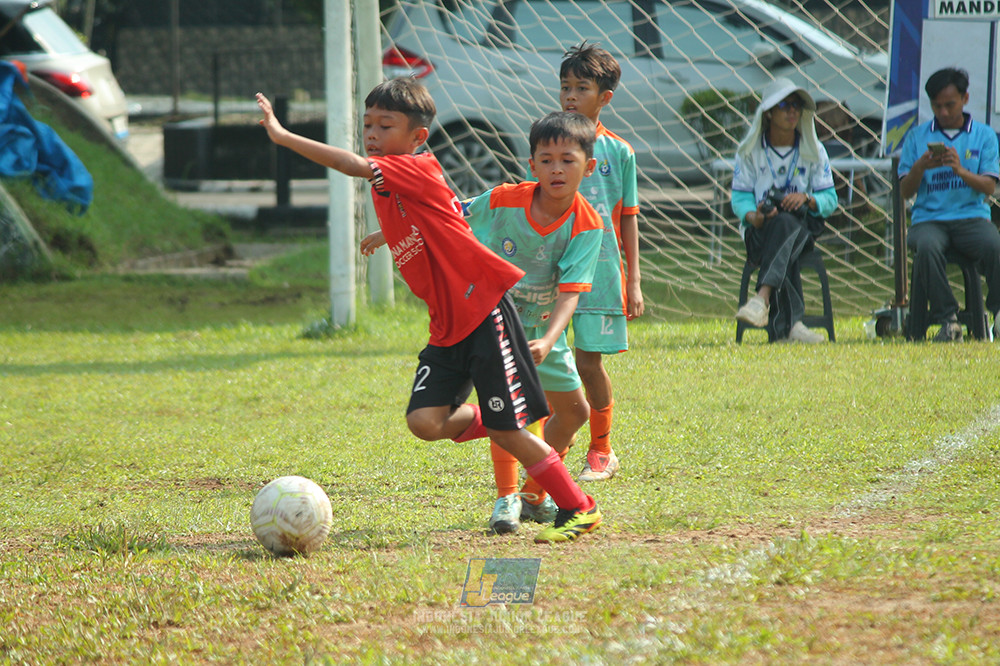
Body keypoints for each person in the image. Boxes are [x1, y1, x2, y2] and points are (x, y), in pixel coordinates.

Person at [256, 79, 601, 543]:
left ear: (417, 137)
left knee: (511, 432)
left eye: (386, 125)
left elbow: (350, 165)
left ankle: (579, 506)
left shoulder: (414, 166)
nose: (372, 134)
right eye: (368, 124)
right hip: (447, 325)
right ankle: (501, 417)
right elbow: (448, 216)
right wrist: (391, 235)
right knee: (425, 422)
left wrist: (282, 136)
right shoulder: (398, 177)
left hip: (482, 313)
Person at [463, 112, 604, 534]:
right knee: (511, 414)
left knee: (575, 412)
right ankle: (505, 499)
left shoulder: (587, 223)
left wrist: (549, 340)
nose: (556, 169)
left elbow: (570, 293)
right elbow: (452, 215)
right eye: (546, 159)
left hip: (544, 331)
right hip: (493, 320)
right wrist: (395, 234)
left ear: (589, 166)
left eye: (567, 159)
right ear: (532, 165)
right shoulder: (504, 199)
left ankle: (532, 492)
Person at [551, 42, 643, 485]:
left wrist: (635, 282)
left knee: (588, 364)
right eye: (565, 87)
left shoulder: (620, 152)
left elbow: (627, 220)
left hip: (602, 272)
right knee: (553, 364)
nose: (570, 96)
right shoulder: (551, 142)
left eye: (580, 88)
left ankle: (602, 451)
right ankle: (553, 451)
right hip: (554, 270)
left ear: (604, 97)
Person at [731, 78, 838, 342]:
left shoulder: (814, 150)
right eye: (784, 105)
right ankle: (792, 328)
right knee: (781, 227)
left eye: (797, 106)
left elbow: (830, 199)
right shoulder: (749, 151)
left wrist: (807, 199)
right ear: (768, 112)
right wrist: (754, 216)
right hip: (760, 231)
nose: (792, 111)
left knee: (789, 222)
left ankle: (761, 298)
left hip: (804, 230)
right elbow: (739, 197)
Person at [898, 67, 1000, 342]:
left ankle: (998, 311)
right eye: (936, 106)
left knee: (994, 243)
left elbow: (989, 188)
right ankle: (948, 319)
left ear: (965, 99)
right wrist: (920, 167)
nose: (943, 112)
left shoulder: (984, 135)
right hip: (928, 220)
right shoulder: (917, 137)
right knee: (927, 247)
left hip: (971, 217)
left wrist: (961, 171)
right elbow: (905, 191)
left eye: (949, 105)